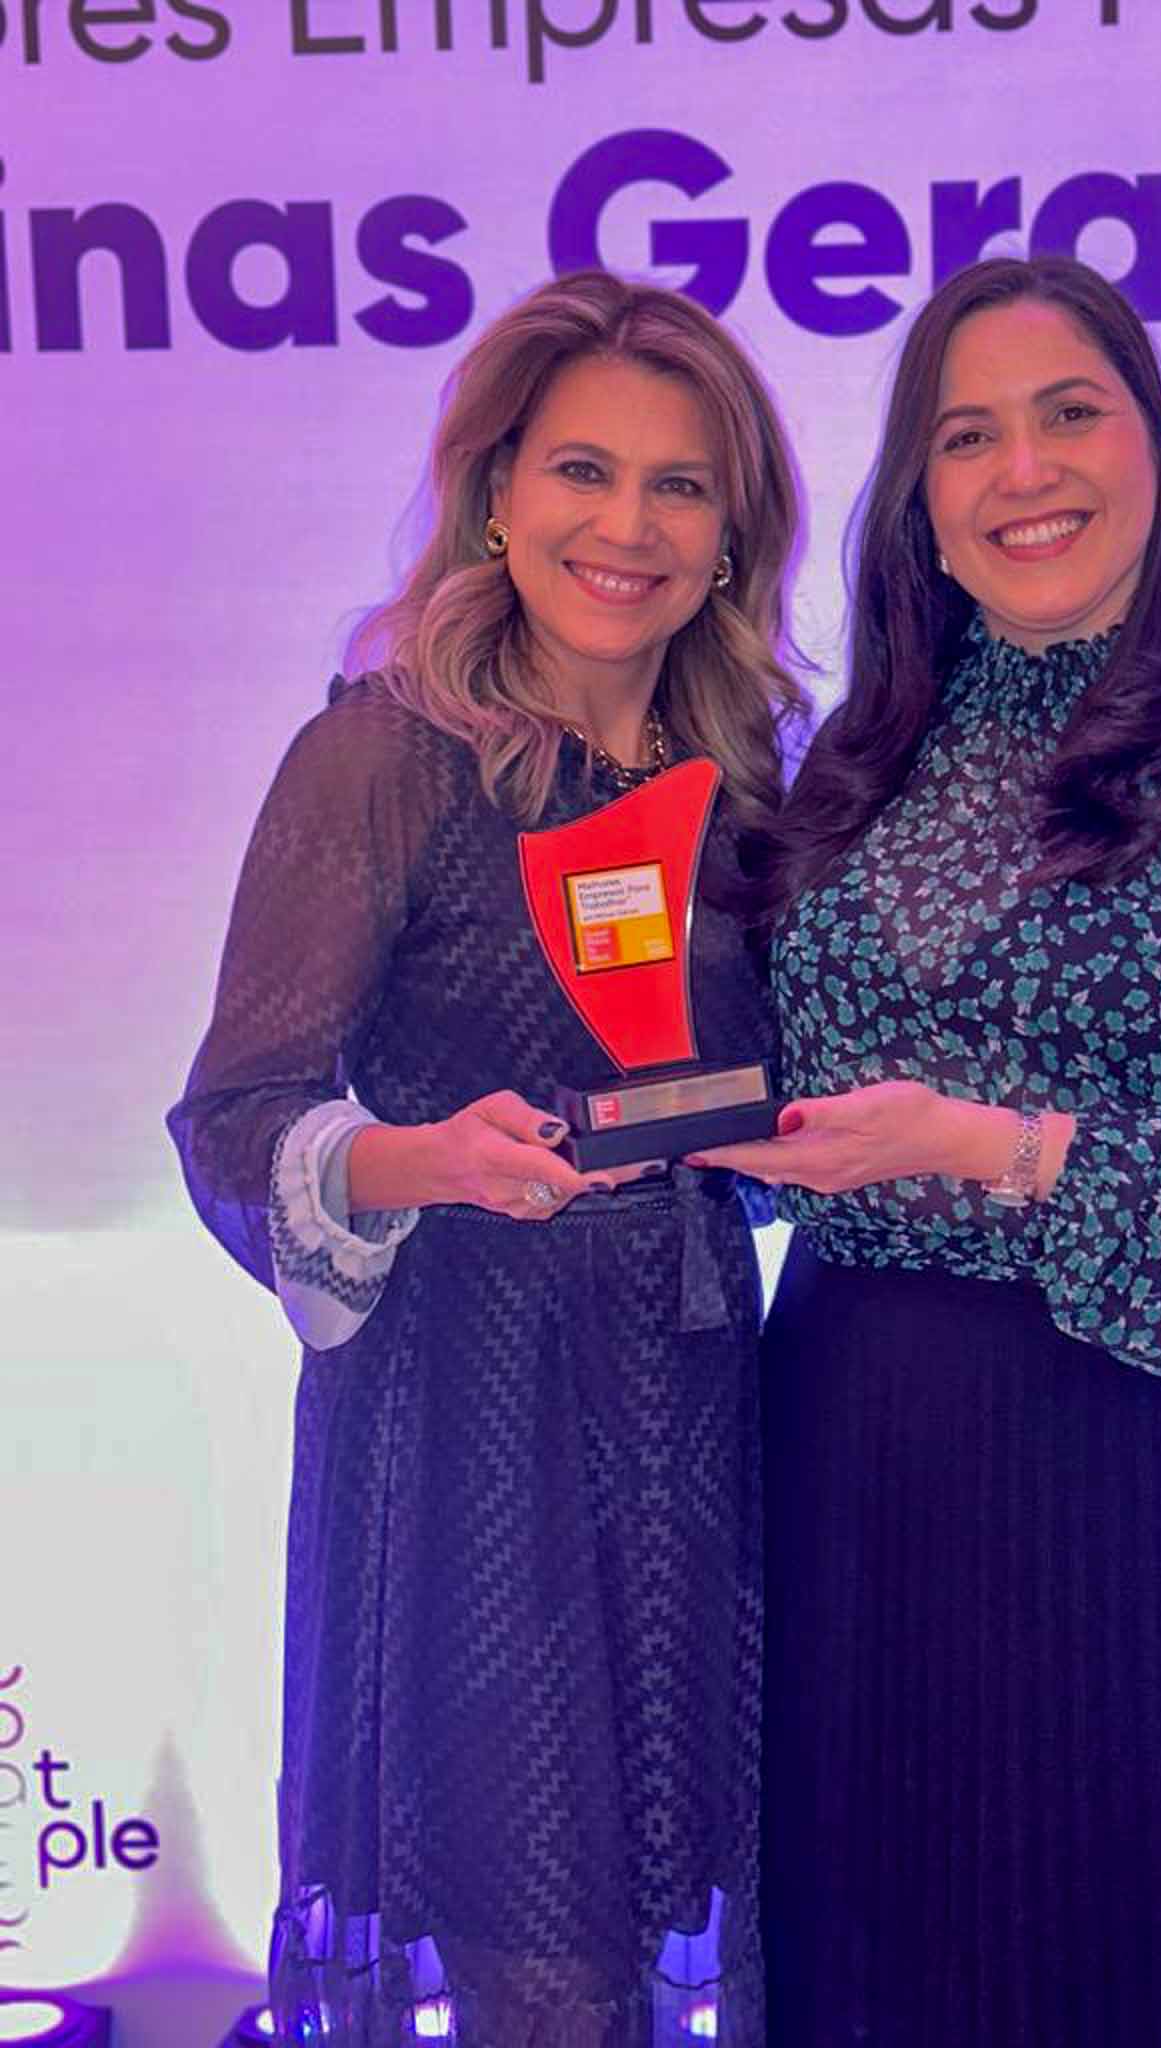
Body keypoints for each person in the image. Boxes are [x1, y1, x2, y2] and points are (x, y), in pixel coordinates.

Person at [694, 255, 1161, 2047]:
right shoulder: (847, 767)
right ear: (920, 497)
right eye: (967, 436)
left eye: (1070, 415)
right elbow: (764, 1088)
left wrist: (998, 1149)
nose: (1022, 471)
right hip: (869, 1469)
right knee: (899, 1967)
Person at [168, 269, 806, 2048]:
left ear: (733, 536)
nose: (627, 527)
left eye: (681, 486)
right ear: (497, 494)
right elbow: (232, 1118)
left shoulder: (754, 781)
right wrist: (415, 1162)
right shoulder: (381, 760)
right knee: (541, 1969)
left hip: (711, 1423)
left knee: (721, 1920)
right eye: (583, 471)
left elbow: (766, 1109)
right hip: (471, 1439)